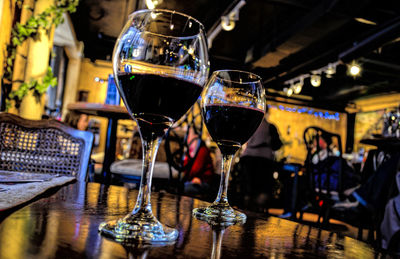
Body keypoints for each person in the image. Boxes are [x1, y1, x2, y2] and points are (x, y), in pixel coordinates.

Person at [239, 105, 283, 211]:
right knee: (263, 187)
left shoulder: (249, 123)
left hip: (247, 158)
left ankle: (246, 206)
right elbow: (277, 145)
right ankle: (258, 210)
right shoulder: (270, 127)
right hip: (264, 160)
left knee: (247, 186)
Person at [182, 127, 215, 197]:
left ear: (196, 137)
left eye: (189, 135)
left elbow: (194, 170)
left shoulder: (202, 150)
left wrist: (190, 176)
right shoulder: (191, 151)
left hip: (204, 182)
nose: (187, 138)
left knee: (184, 187)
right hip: (194, 180)